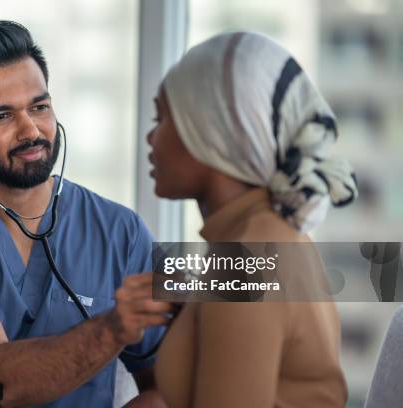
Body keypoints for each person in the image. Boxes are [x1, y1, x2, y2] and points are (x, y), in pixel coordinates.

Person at [0, 20, 171, 407]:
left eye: (39, 107)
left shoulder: (121, 232)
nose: (30, 130)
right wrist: (115, 327)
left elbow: (164, 386)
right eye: (1, 116)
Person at [147, 32, 358, 407]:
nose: (151, 137)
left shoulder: (248, 257)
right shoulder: (268, 236)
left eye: (161, 118)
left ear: (210, 132)